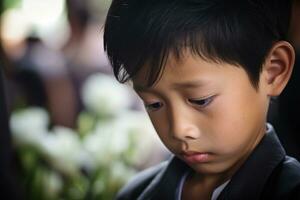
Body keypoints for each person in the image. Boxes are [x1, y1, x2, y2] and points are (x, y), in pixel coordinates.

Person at [103, 0, 300, 199]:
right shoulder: (135, 194)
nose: (179, 130)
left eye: (200, 100)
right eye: (154, 104)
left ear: (273, 71)